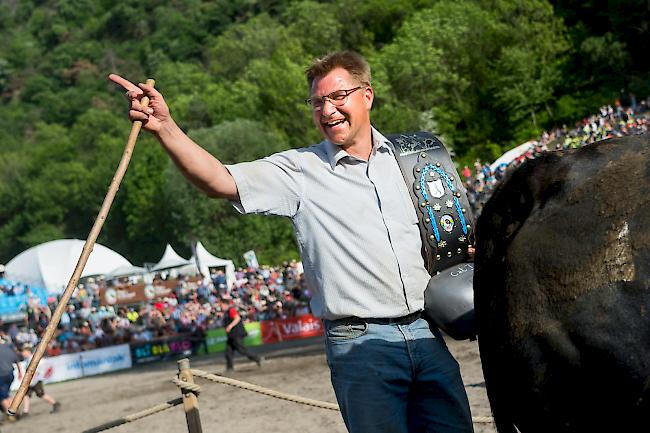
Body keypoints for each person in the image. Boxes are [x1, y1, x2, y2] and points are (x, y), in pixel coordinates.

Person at [110, 50, 473, 432]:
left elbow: (447, 236)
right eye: (317, 102)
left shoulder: (410, 159)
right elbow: (219, 179)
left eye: (337, 97)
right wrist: (166, 127)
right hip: (360, 343)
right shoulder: (300, 170)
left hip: (427, 331)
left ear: (367, 95)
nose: (327, 109)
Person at [18, 344, 61, 416]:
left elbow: (35, 371)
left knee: (40, 394)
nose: (22, 353)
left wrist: (31, 380)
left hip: (35, 380)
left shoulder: (32, 359)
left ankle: (55, 403)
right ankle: (25, 412)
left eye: (23, 351)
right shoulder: (29, 359)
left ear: (28, 352)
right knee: (26, 395)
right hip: (32, 381)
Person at [219, 300, 261, 371]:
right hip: (231, 336)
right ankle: (230, 368)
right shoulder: (226, 313)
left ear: (225, 304)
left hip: (236, 334)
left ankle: (257, 358)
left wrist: (230, 326)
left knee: (242, 350)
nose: (220, 307)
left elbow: (237, 318)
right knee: (228, 352)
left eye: (221, 305)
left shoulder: (231, 310)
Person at [0, 334, 21, 420]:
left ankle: (11, 415)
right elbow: (16, 360)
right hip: (10, 374)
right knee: (7, 394)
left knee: (2, 397)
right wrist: (20, 372)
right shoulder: (8, 347)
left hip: (1, 375)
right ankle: (15, 410)